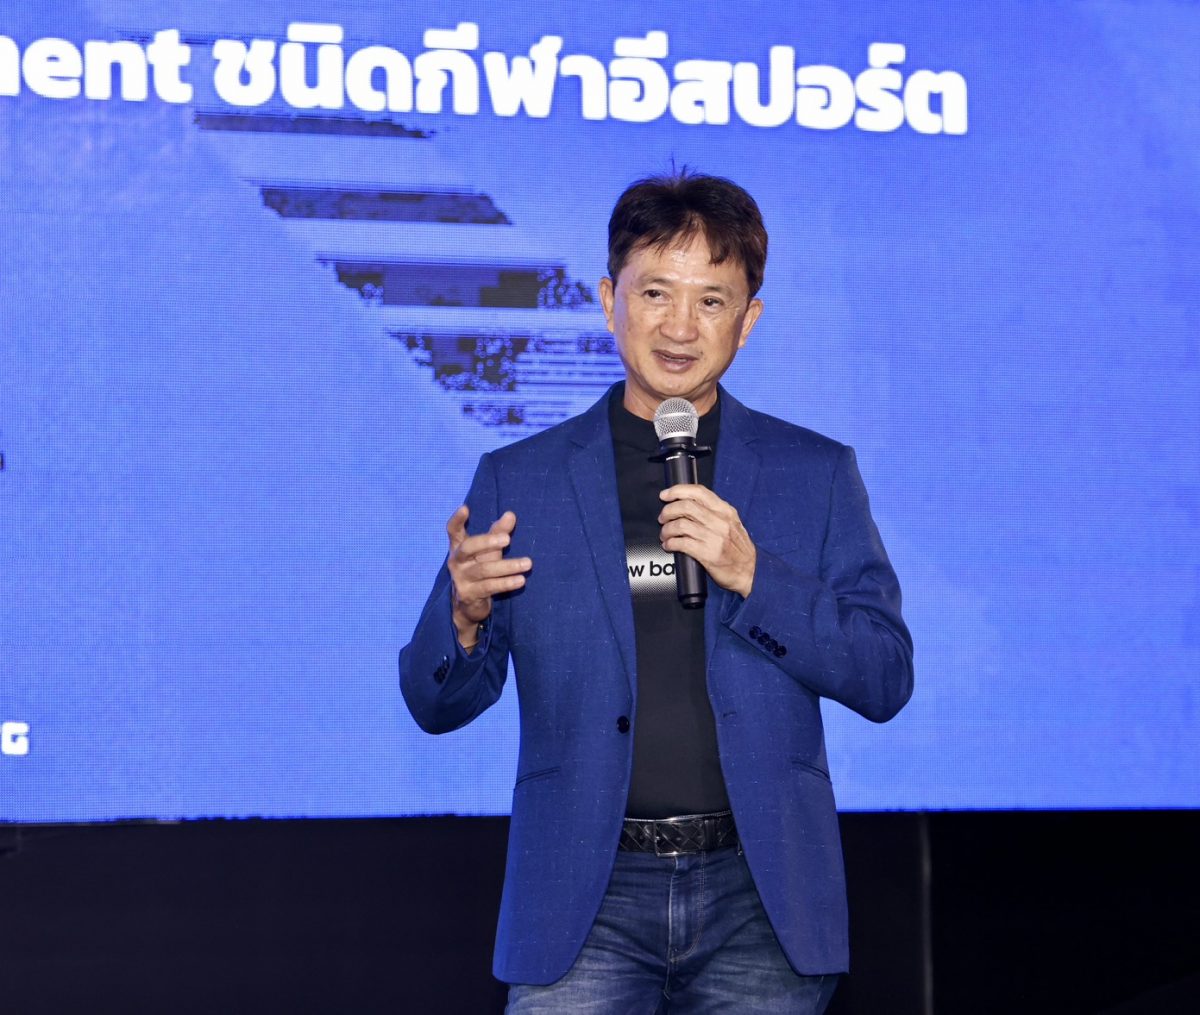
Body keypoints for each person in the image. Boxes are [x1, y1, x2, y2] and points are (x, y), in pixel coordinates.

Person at [400, 170, 914, 1013]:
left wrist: (756, 575)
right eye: (655, 293)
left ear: (748, 320)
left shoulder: (814, 474)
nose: (680, 327)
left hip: (760, 899)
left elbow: (885, 675)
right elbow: (434, 703)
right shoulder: (520, 480)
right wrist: (462, 619)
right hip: (584, 897)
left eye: (712, 301)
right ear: (610, 301)